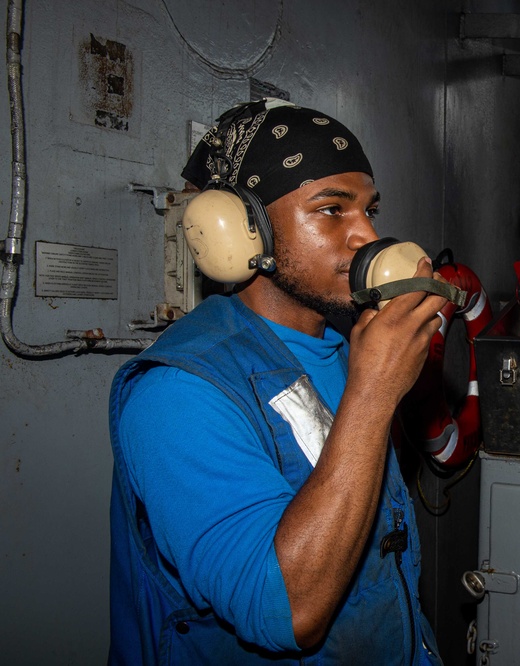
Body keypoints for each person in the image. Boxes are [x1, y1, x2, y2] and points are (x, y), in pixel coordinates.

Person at [108, 98, 447, 664]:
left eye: (369, 210)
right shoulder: (178, 395)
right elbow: (289, 613)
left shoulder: (347, 351)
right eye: (332, 210)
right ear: (245, 233)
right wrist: (375, 393)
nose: (368, 235)